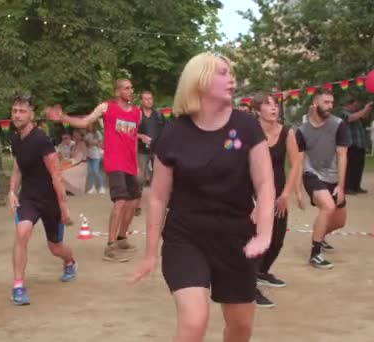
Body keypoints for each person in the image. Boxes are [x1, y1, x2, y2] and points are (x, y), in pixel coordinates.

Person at [130, 52, 275, 342]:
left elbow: (265, 183)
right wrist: (149, 254)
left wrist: (264, 233)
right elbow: (158, 198)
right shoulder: (172, 133)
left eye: (230, 72)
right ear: (200, 80)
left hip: (236, 239)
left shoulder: (246, 126)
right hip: (185, 239)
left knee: (240, 328)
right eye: (222, 73)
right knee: (194, 322)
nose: (231, 78)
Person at [45, 80, 142, 263]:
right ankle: (110, 247)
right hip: (115, 162)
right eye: (127, 88)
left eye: (132, 87)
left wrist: (136, 162)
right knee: (120, 201)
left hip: (130, 163)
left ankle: (122, 239)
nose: (131, 91)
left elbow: (134, 138)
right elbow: (84, 122)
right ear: (117, 91)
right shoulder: (107, 108)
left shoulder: (137, 113)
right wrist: (63, 118)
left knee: (134, 200)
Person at [8, 95, 77, 306]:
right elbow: (18, 167)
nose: (17, 115)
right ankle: (18, 286)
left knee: (55, 247)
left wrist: (64, 208)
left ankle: (70, 262)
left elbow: (56, 175)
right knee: (22, 232)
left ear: (31, 115)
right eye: (15, 111)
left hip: (50, 199)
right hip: (28, 196)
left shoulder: (41, 140)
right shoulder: (15, 139)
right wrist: (12, 191)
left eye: (22, 111)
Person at [252, 93, 303, 308]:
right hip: (254, 192)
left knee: (277, 239)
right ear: (257, 110)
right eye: (268, 105)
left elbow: (296, 163)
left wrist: (286, 193)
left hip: (278, 193)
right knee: (256, 240)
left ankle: (262, 272)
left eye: (275, 105)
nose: (274, 109)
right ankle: (249, 286)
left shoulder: (287, 132)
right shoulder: (250, 131)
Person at [296, 88, 350, 269]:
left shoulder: (338, 125)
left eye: (331, 103)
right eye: (326, 102)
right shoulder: (302, 131)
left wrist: (341, 186)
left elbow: (342, 155)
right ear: (315, 103)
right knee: (328, 206)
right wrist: (297, 190)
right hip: (312, 174)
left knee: (340, 221)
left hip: (334, 176)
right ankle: (315, 253)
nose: (330, 106)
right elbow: (298, 161)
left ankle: (320, 234)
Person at [340, 97, 372, 195]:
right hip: (351, 144)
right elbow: (351, 118)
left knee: (359, 167)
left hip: (360, 144)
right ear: (348, 105)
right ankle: (347, 187)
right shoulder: (343, 113)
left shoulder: (357, 114)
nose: (355, 107)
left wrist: (368, 110)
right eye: (354, 105)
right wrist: (365, 109)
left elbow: (363, 117)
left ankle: (356, 186)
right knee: (351, 167)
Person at [137, 90, 164, 187]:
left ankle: (155, 197)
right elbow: (129, 132)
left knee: (158, 175)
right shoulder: (136, 114)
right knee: (140, 177)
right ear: (141, 101)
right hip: (141, 150)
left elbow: (165, 130)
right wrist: (141, 136)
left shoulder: (158, 115)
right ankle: (137, 196)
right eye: (146, 99)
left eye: (150, 99)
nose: (149, 101)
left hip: (156, 150)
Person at [61, 129, 88, 196]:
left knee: (65, 172)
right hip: (74, 163)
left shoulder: (82, 144)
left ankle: (73, 190)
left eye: (76, 135)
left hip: (81, 165)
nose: (75, 137)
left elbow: (79, 158)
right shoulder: (73, 145)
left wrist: (69, 163)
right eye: (74, 135)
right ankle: (67, 189)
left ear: (80, 136)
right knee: (60, 170)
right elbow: (70, 156)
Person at [85, 123, 105, 194]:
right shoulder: (87, 134)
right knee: (90, 172)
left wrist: (93, 143)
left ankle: (102, 187)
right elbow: (86, 144)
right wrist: (89, 143)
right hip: (89, 154)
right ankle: (93, 187)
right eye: (88, 125)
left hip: (96, 154)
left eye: (91, 125)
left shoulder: (97, 133)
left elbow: (100, 143)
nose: (89, 127)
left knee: (96, 171)